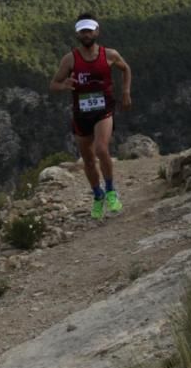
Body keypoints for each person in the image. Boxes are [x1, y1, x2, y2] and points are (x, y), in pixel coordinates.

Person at [49, 13, 132, 219]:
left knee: (101, 149)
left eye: (90, 30)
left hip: (103, 110)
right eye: (83, 31)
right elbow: (53, 84)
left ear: (97, 31)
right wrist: (64, 85)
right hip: (81, 113)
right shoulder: (70, 59)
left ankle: (111, 191)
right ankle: (98, 195)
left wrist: (125, 92)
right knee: (87, 159)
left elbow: (126, 68)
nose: (86, 34)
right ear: (77, 33)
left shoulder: (109, 55)